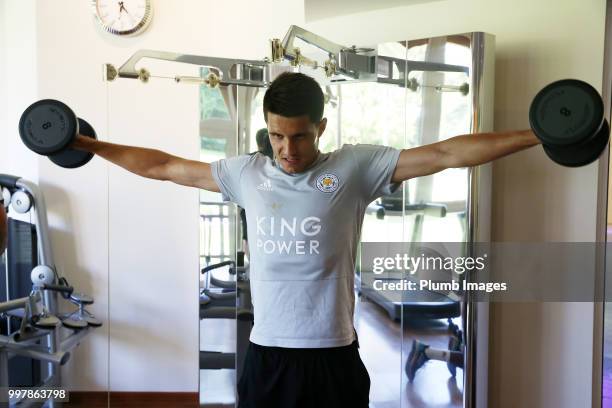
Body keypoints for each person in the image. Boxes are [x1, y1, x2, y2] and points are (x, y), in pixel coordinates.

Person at [71, 72, 539, 407]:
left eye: (299, 136)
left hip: (333, 353)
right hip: (268, 354)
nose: (288, 150)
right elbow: (163, 166)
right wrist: (89, 146)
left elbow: (445, 153)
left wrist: (540, 132)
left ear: (321, 128)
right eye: (276, 136)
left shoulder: (354, 167)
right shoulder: (244, 173)